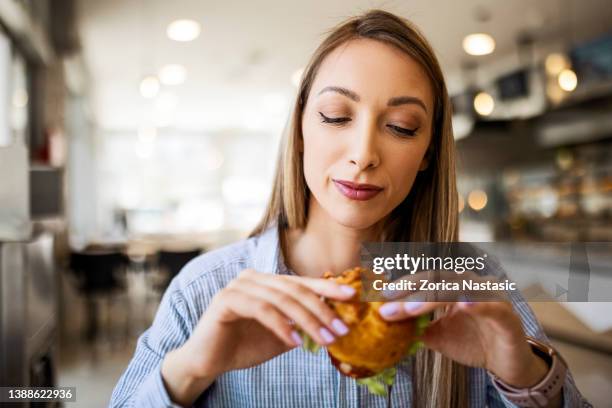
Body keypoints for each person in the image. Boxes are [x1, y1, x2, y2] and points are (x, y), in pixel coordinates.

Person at [110, 9, 590, 408]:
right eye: (336, 116)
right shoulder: (206, 291)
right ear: (300, 129)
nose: (364, 154)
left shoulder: (468, 286)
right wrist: (190, 370)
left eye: (402, 126)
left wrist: (524, 375)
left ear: (427, 153)